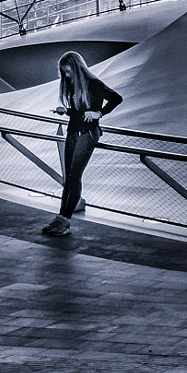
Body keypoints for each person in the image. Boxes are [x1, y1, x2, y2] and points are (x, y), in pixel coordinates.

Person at [41, 51, 123, 237]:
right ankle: (61, 218)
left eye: (68, 72)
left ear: (77, 68)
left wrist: (99, 113)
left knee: (74, 176)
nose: (66, 76)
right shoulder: (72, 85)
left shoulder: (93, 84)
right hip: (73, 132)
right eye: (64, 73)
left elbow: (116, 98)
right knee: (68, 178)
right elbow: (80, 111)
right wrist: (67, 111)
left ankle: (65, 221)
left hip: (87, 134)